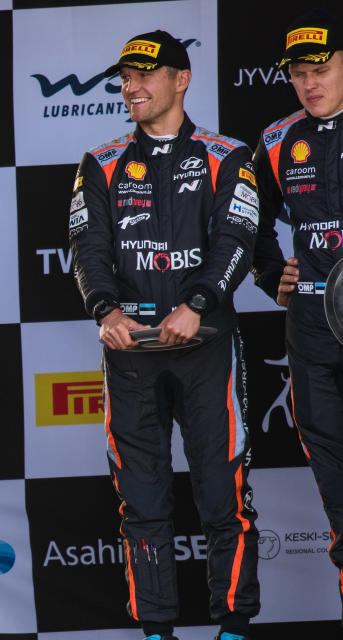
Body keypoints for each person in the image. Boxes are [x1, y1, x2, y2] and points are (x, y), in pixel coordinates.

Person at [69, 30, 260, 640]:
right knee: (142, 501)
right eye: (126, 77)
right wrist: (105, 311)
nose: (132, 87)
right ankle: (156, 631)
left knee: (223, 493)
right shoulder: (100, 162)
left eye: (145, 75)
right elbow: (87, 248)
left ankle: (233, 626)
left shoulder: (228, 155)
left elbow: (238, 240)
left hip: (207, 348)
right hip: (131, 355)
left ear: (182, 80)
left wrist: (197, 304)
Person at [251, 8, 343, 618]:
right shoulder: (279, 140)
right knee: (333, 471)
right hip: (311, 330)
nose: (309, 83)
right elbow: (246, 225)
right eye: (299, 73)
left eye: (321, 69)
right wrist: (269, 274)